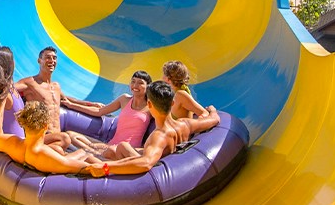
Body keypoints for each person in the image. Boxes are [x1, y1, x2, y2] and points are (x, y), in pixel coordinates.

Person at [82, 80, 220, 178]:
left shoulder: (159, 136)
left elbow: (146, 163)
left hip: (154, 170)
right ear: (172, 103)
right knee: (118, 148)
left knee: (91, 157)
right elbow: (215, 119)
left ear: (149, 104)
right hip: (165, 156)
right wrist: (213, 110)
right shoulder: (185, 124)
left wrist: (106, 168)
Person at [0, 79, 100, 174]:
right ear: (45, 125)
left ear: (23, 123)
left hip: (26, 155)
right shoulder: (45, 155)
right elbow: (89, 169)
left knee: (60, 149)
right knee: (83, 153)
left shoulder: (11, 142)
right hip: (46, 164)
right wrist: (110, 168)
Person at [18, 46, 107, 154]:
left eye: (54, 58)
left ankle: (103, 154)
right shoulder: (30, 83)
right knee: (66, 139)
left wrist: (90, 104)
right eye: (48, 57)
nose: (52, 61)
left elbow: (68, 100)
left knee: (78, 140)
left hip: (57, 136)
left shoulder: (56, 86)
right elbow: (9, 89)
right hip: (41, 137)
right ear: (39, 60)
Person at [83, 70, 155, 160]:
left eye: (140, 83)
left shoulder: (151, 106)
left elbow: (164, 120)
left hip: (129, 149)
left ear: (148, 86)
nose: (135, 86)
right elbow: (99, 111)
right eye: (133, 81)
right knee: (74, 136)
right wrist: (71, 104)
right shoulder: (124, 99)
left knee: (91, 153)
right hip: (111, 145)